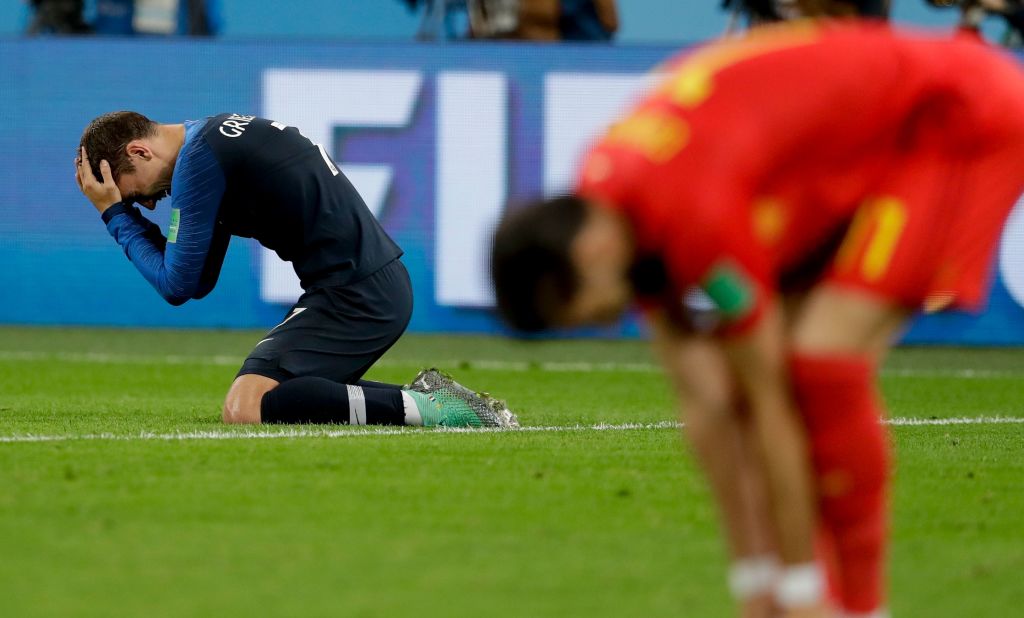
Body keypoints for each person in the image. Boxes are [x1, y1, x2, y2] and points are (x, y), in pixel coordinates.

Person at [491, 22, 1024, 617]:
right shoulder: (612, 204)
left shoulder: (690, 214)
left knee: (819, 366)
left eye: (578, 317)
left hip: (956, 118)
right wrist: (755, 587)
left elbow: (768, 402)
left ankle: (855, 607)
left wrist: (795, 592)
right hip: (858, 146)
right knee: (751, 386)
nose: (596, 326)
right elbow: (706, 406)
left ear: (586, 258)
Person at [75, 111, 518, 429]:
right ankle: (431, 401)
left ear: (139, 150)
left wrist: (116, 216)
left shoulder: (199, 162)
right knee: (278, 397)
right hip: (361, 286)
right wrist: (123, 210)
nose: (149, 205)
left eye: (136, 194)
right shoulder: (211, 144)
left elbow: (177, 284)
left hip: (356, 294)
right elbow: (197, 280)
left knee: (246, 406)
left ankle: (439, 409)